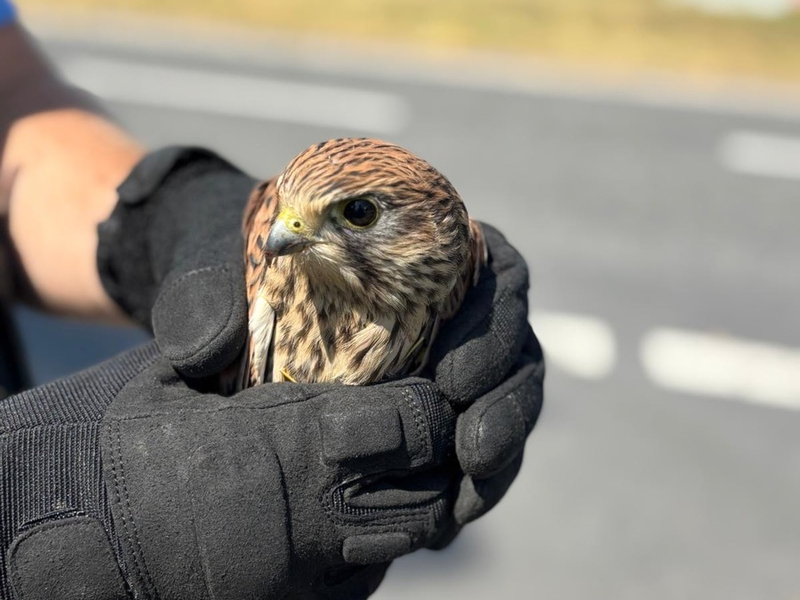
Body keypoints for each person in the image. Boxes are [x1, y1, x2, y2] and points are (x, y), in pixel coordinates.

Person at [0, 5, 544, 600]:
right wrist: (28, 495)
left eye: (355, 215)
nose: (280, 235)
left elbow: (13, 96)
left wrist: (158, 213)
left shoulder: (437, 263)